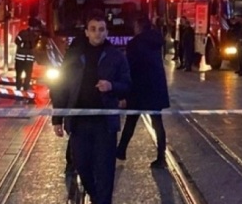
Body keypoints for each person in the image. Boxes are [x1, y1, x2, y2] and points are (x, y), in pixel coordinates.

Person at [52, 11, 131, 204]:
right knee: (82, 165)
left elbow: (128, 85)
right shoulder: (75, 55)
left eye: (102, 29)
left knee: (105, 170)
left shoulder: (116, 56)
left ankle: (102, 201)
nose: (98, 33)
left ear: (107, 32)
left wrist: (112, 86)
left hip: (105, 124)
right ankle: (96, 197)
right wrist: (57, 117)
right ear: (86, 32)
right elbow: (61, 86)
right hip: (79, 122)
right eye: (93, 29)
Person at [117, 16, 171, 168]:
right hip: (155, 88)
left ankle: (121, 150)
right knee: (157, 123)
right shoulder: (156, 41)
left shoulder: (135, 43)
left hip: (139, 88)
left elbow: (130, 67)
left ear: (139, 26)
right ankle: (161, 156)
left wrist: (124, 90)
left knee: (131, 120)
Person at [15, 18, 41, 90]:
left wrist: (23, 45)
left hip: (22, 59)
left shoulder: (23, 33)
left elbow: (17, 41)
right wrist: (26, 45)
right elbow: (17, 41)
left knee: (20, 74)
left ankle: (19, 87)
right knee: (27, 74)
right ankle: (24, 87)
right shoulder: (33, 35)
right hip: (26, 59)